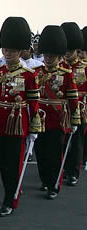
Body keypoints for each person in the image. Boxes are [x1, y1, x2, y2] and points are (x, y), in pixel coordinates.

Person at [0, 17, 41, 216]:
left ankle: (10, 199)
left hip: (18, 122)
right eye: (5, 50)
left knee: (13, 163)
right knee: (0, 159)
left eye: (12, 51)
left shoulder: (29, 74)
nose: (7, 54)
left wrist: (34, 127)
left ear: (20, 51)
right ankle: (12, 188)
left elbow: (33, 103)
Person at [34, 25, 80, 199]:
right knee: (40, 152)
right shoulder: (37, 72)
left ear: (59, 56)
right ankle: (45, 180)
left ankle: (54, 184)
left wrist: (74, 119)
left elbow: (73, 99)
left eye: (51, 56)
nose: (47, 58)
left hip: (57, 118)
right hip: (39, 118)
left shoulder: (67, 75)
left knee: (54, 154)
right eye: (46, 55)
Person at [59, 22, 85, 186]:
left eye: (70, 50)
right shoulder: (59, 67)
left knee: (76, 142)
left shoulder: (84, 67)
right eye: (66, 50)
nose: (67, 53)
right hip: (61, 109)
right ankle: (61, 169)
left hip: (79, 108)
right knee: (61, 141)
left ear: (76, 50)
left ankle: (73, 171)